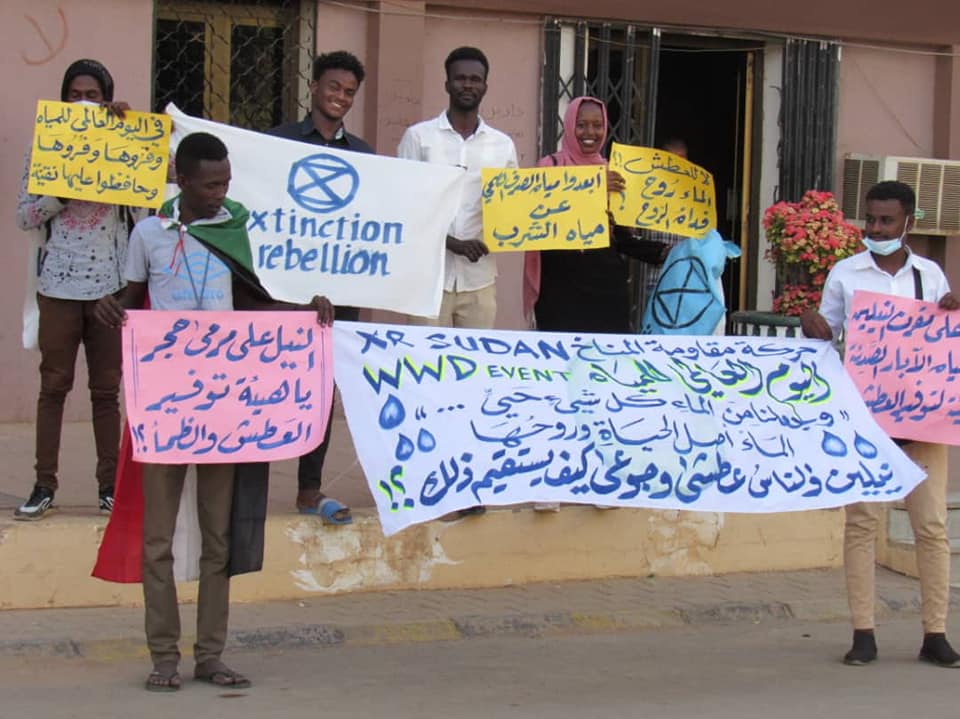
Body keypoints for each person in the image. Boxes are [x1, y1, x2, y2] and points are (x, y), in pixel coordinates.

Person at [94, 132, 334, 691]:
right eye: (209, 185)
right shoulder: (149, 234)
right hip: (165, 403)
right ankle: (162, 657)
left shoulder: (233, 226)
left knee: (217, 536)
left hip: (224, 406)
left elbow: (252, 301)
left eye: (225, 182)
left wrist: (305, 311)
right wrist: (109, 308)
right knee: (159, 539)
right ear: (181, 180)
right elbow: (131, 303)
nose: (220, 194)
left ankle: (209, 655)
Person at [800, 180, 960, 668]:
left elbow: (941, 346)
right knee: (863, 523)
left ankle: (935, 632)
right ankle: (863, 632)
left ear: (909, 222)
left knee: (931, 526)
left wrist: (953, 314)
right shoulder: (846, 273)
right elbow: (824, 342)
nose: (875, 229)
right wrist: (813, 325)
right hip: (867, 420)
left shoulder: (930, 276)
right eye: (870, 220)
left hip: (925, 423)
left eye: (886, 221)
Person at [522, 96, 665, 512]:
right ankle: (551, 481)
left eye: (596, 126)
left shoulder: (615, 174)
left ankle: (601, 478)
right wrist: (588, 192)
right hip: (561, 293)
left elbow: (619, 238)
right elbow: (536, 220)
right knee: (560, 387)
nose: (589, 133)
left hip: (606, 292)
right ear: (569, 125)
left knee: (603, 387)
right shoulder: (548, 169)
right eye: (581, 125)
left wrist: (660, 253)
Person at [14, 59, 141, 521]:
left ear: (106, 99)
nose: (84, 102)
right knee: (54, 386)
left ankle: (110, 487)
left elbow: (152, 197)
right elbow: (24, 217)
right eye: (75, 94)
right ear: (63, 99)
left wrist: (130, 140)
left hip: (109, 287)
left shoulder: (122, 144)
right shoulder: (44, 147)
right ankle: (43, 484)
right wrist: (59, 197)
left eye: (93, 95)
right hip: (58, 287)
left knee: (106, 391)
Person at [268, 50, 373, 523]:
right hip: (286, 291)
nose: (341, 98)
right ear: (314, 87)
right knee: (273, 385)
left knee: (322, 395)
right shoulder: (278, 143)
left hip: (341, 297)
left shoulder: (365, 157)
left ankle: (308, 490)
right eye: (334, 88)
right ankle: (248, 485)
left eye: (349, 92)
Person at [398, 46, 518, 330]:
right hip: (427, 280)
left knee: (473, 366)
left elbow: (512, 206)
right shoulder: (418, 138)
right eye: (460, 78)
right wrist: (453, 244)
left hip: (480, 280)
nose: (467, 85)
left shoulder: (503, 145)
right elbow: (404, 206)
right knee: (423, 365)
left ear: (485, 86)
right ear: (447, 84)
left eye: (475, 79)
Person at [636, 137, 690, 318]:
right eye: (671, 162)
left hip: (683, 284)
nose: (676, 168)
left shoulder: (694, 197)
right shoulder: (645, 194)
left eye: (681, 162)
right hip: (651, 281)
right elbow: (632, 236)